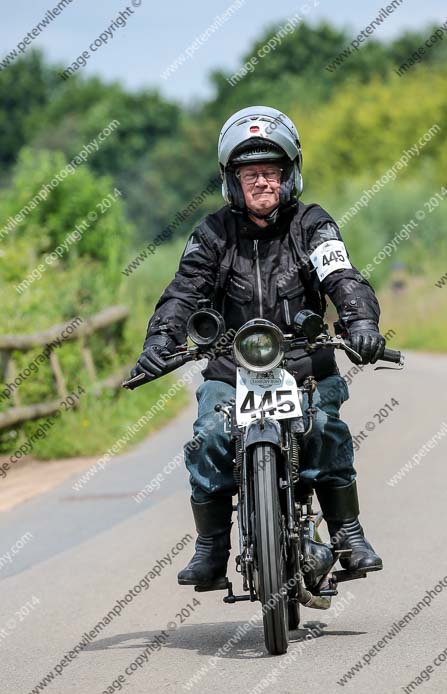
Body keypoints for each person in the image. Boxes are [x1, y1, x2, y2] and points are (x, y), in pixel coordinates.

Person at [131, 106, 386, 587]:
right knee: (209, 436)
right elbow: (184, 290)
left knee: (325, 428)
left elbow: (342, 277)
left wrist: (361, 321)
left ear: (290, 175)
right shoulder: (211, 233)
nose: (263, 182)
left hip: (304, 363)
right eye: (251, 174)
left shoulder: (313, 224)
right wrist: (161, 340)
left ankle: (348, 533)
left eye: (271, 171)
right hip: (230, 369)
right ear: (232, 180)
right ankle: (211, 547)